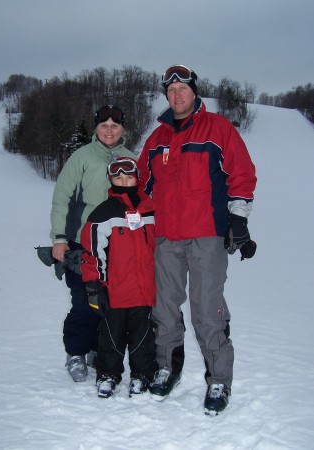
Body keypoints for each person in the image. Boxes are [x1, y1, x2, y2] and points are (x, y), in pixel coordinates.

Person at [137, 64, 257, 415]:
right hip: (167, 238)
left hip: (206, 235)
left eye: (183, 89)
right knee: (164, 309)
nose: (177, 95)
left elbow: (242, 174)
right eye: (170, 91)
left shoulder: (217, 129)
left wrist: (239, 219)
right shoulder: (156, 139)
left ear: (194, 92)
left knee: (206, 310)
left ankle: (219, 379)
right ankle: (166, 368)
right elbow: (142, 186)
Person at [50, 105, 135, 382]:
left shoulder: (129, 158)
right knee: (84, 301)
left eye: (115, 125)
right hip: (80, 243)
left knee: (108, 302)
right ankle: (76, 352)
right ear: (96, 128)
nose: (109, 129)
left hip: (116, 245)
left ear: (122, 129)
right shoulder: (81, 157)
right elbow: (61, 198)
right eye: (103, 125)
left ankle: (97, 349)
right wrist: (59, 238)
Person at [80, 157, 158, 398]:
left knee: (142, 337)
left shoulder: (150, 211)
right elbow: (92, 252)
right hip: (114, 292)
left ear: (137, 178)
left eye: (129, 176)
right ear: (110, 180)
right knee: (111, 336)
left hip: (145, 291)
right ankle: (108, 374)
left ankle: (142, 375)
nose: (124, 181)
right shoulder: (104, 213)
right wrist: (95, 286)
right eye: (118, 177)